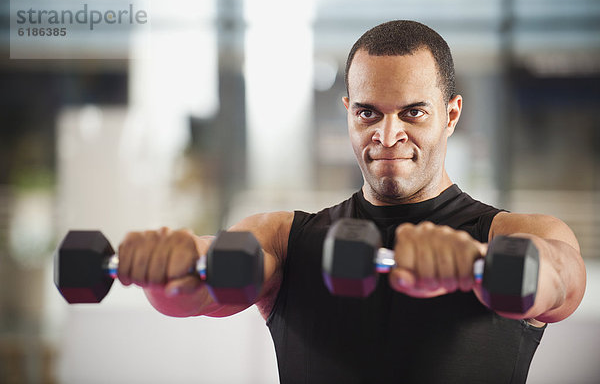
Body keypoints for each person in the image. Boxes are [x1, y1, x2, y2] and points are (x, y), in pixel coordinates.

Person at [117, 20, 586, 383]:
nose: (387, 135)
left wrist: (477, 263)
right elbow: (207, 284)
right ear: (348, 113)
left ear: (451, 115)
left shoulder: (514, 234)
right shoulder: (287, 239)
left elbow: (559, 278)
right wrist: (169, 269)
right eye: (368, 113)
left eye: (413, 112)